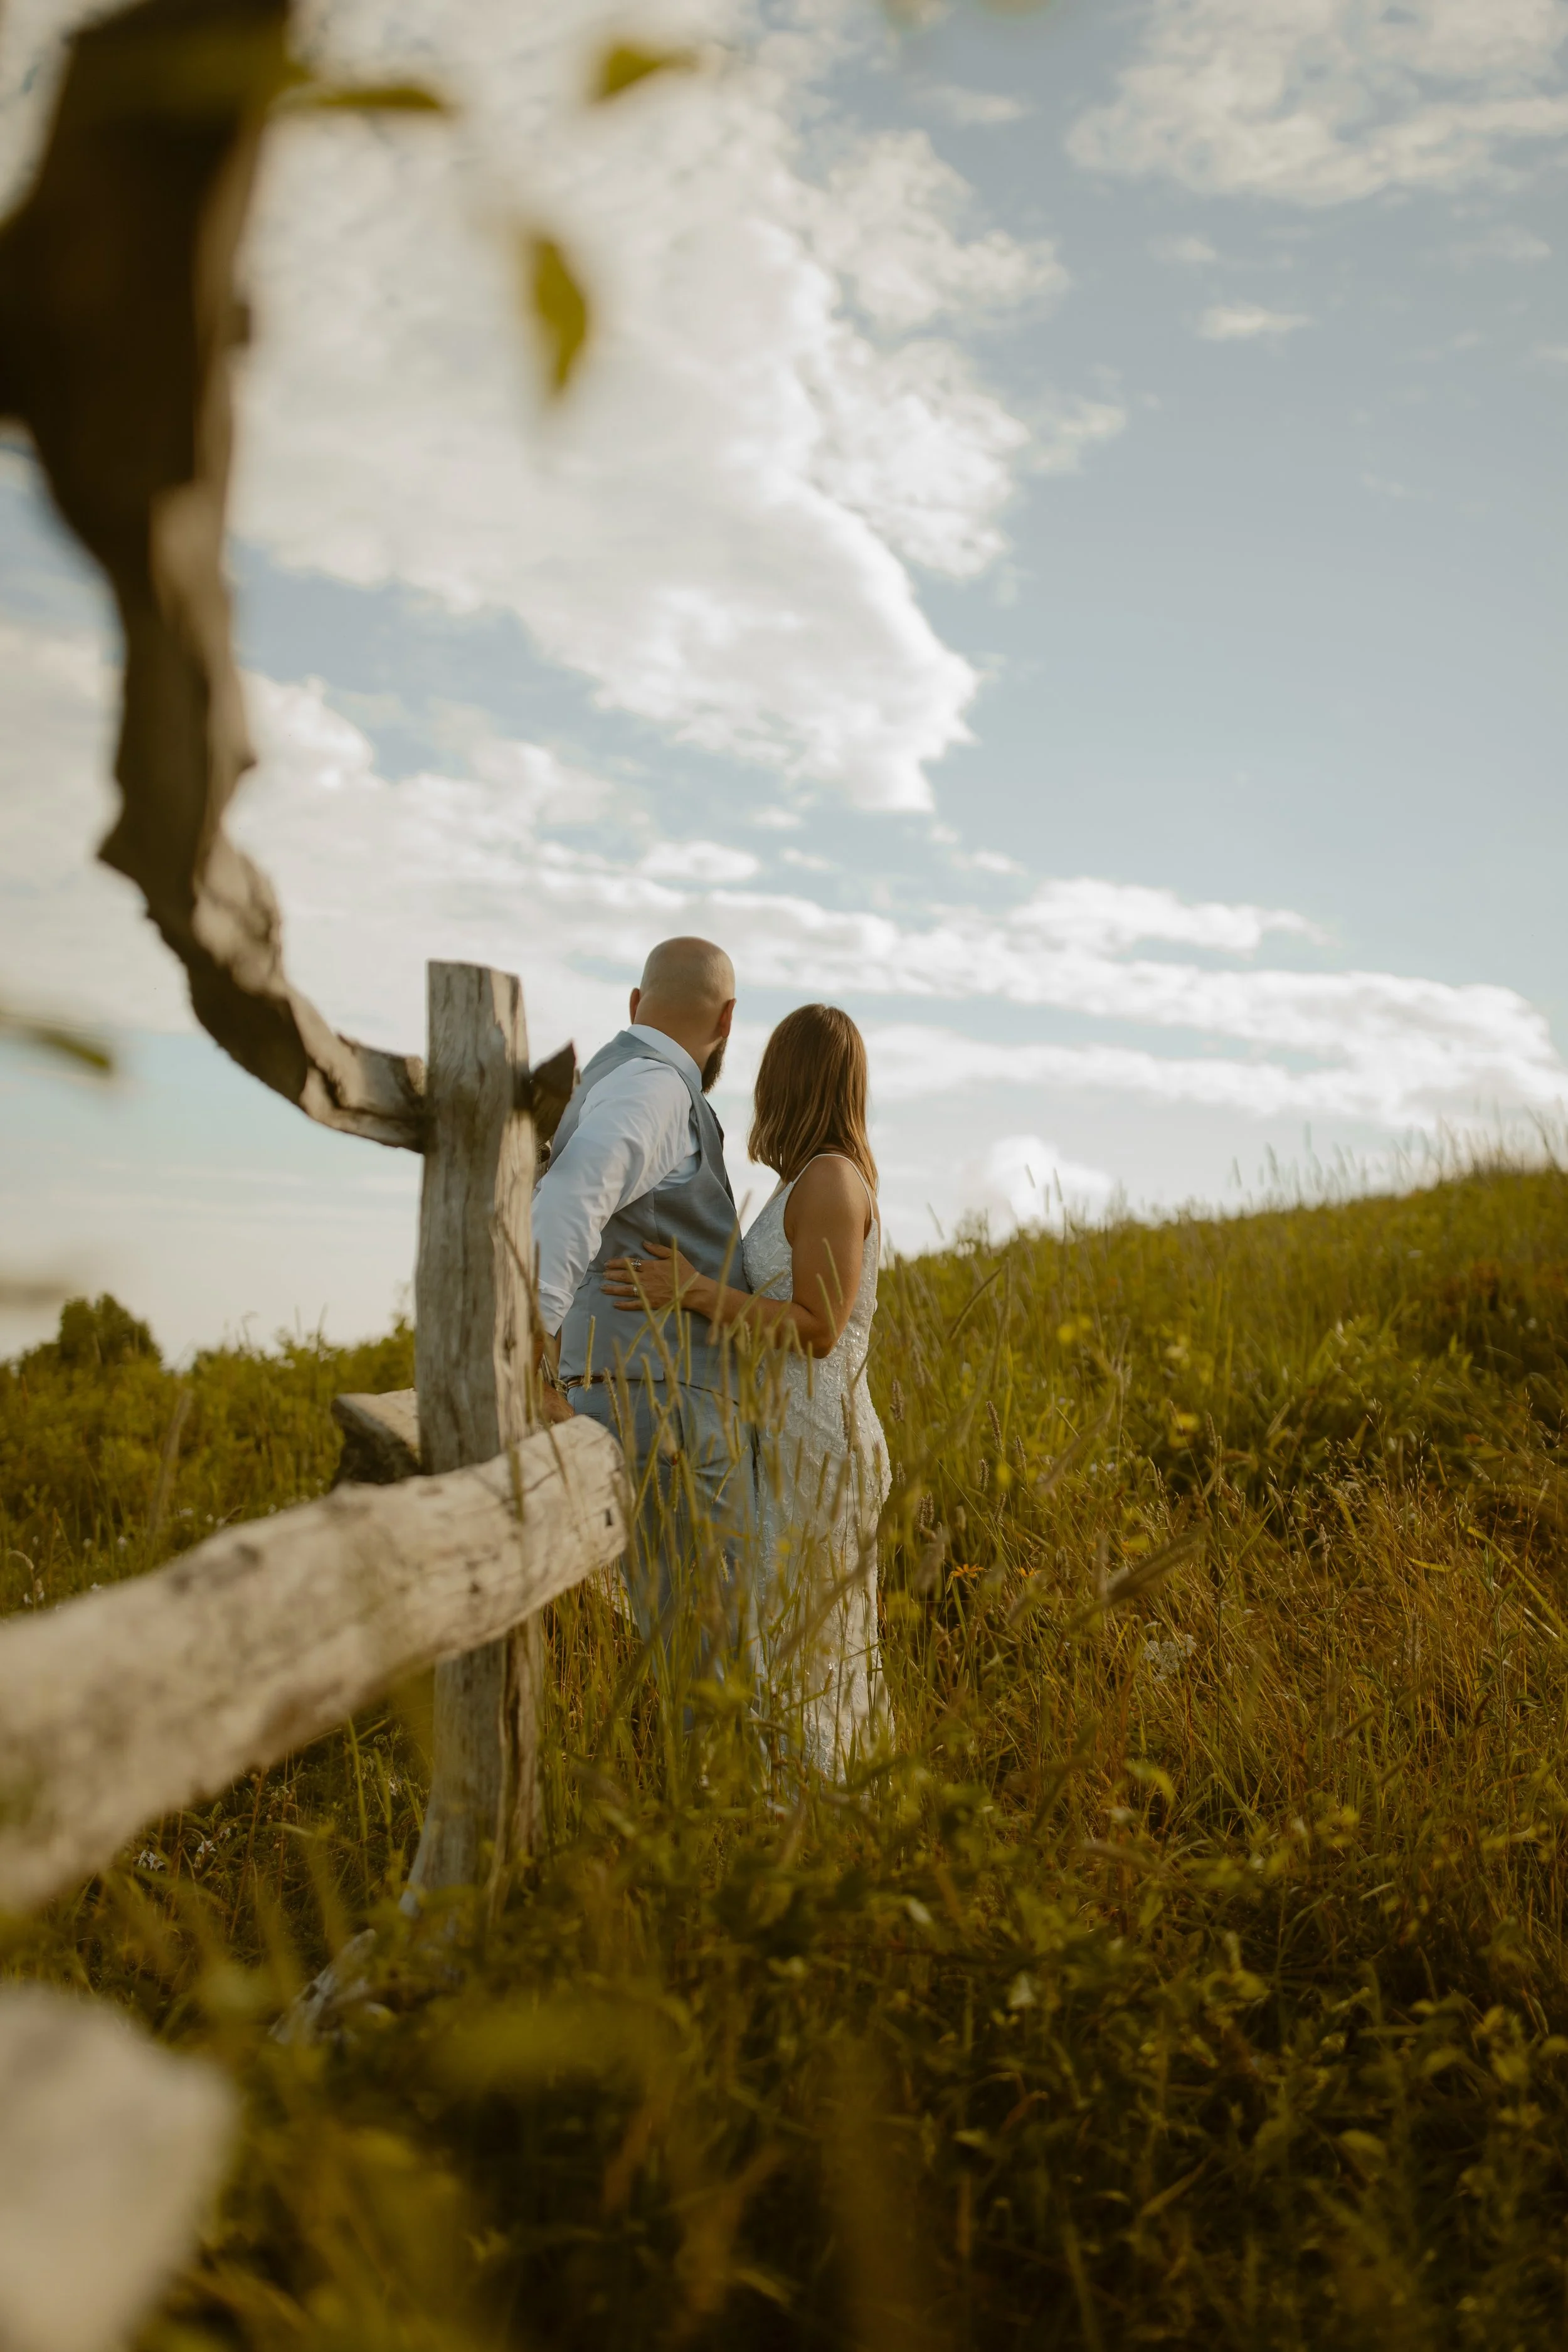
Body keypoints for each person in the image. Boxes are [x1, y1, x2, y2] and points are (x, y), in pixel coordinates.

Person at [604, 1004, 890, 1778]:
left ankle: (817, 1808)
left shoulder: (830, 1179)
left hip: (818, 1443)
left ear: (788, 1081)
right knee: (781, 1636)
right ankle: (794, 1810)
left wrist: (693, 1291)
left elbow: (818, 1328)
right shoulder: (799, 1181)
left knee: (807, 1641)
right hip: (786, 1436)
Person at [532, 937, 755, 1672]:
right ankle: (705, 1791)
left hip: (627, 1395)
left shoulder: (607, 1080)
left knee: (666, 1651)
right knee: (703, 1656)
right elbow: (572, 1196)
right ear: (726, 1019)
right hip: (662, 1410)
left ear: (634, 1003)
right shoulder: (655, 1087)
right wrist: (531, 1338)